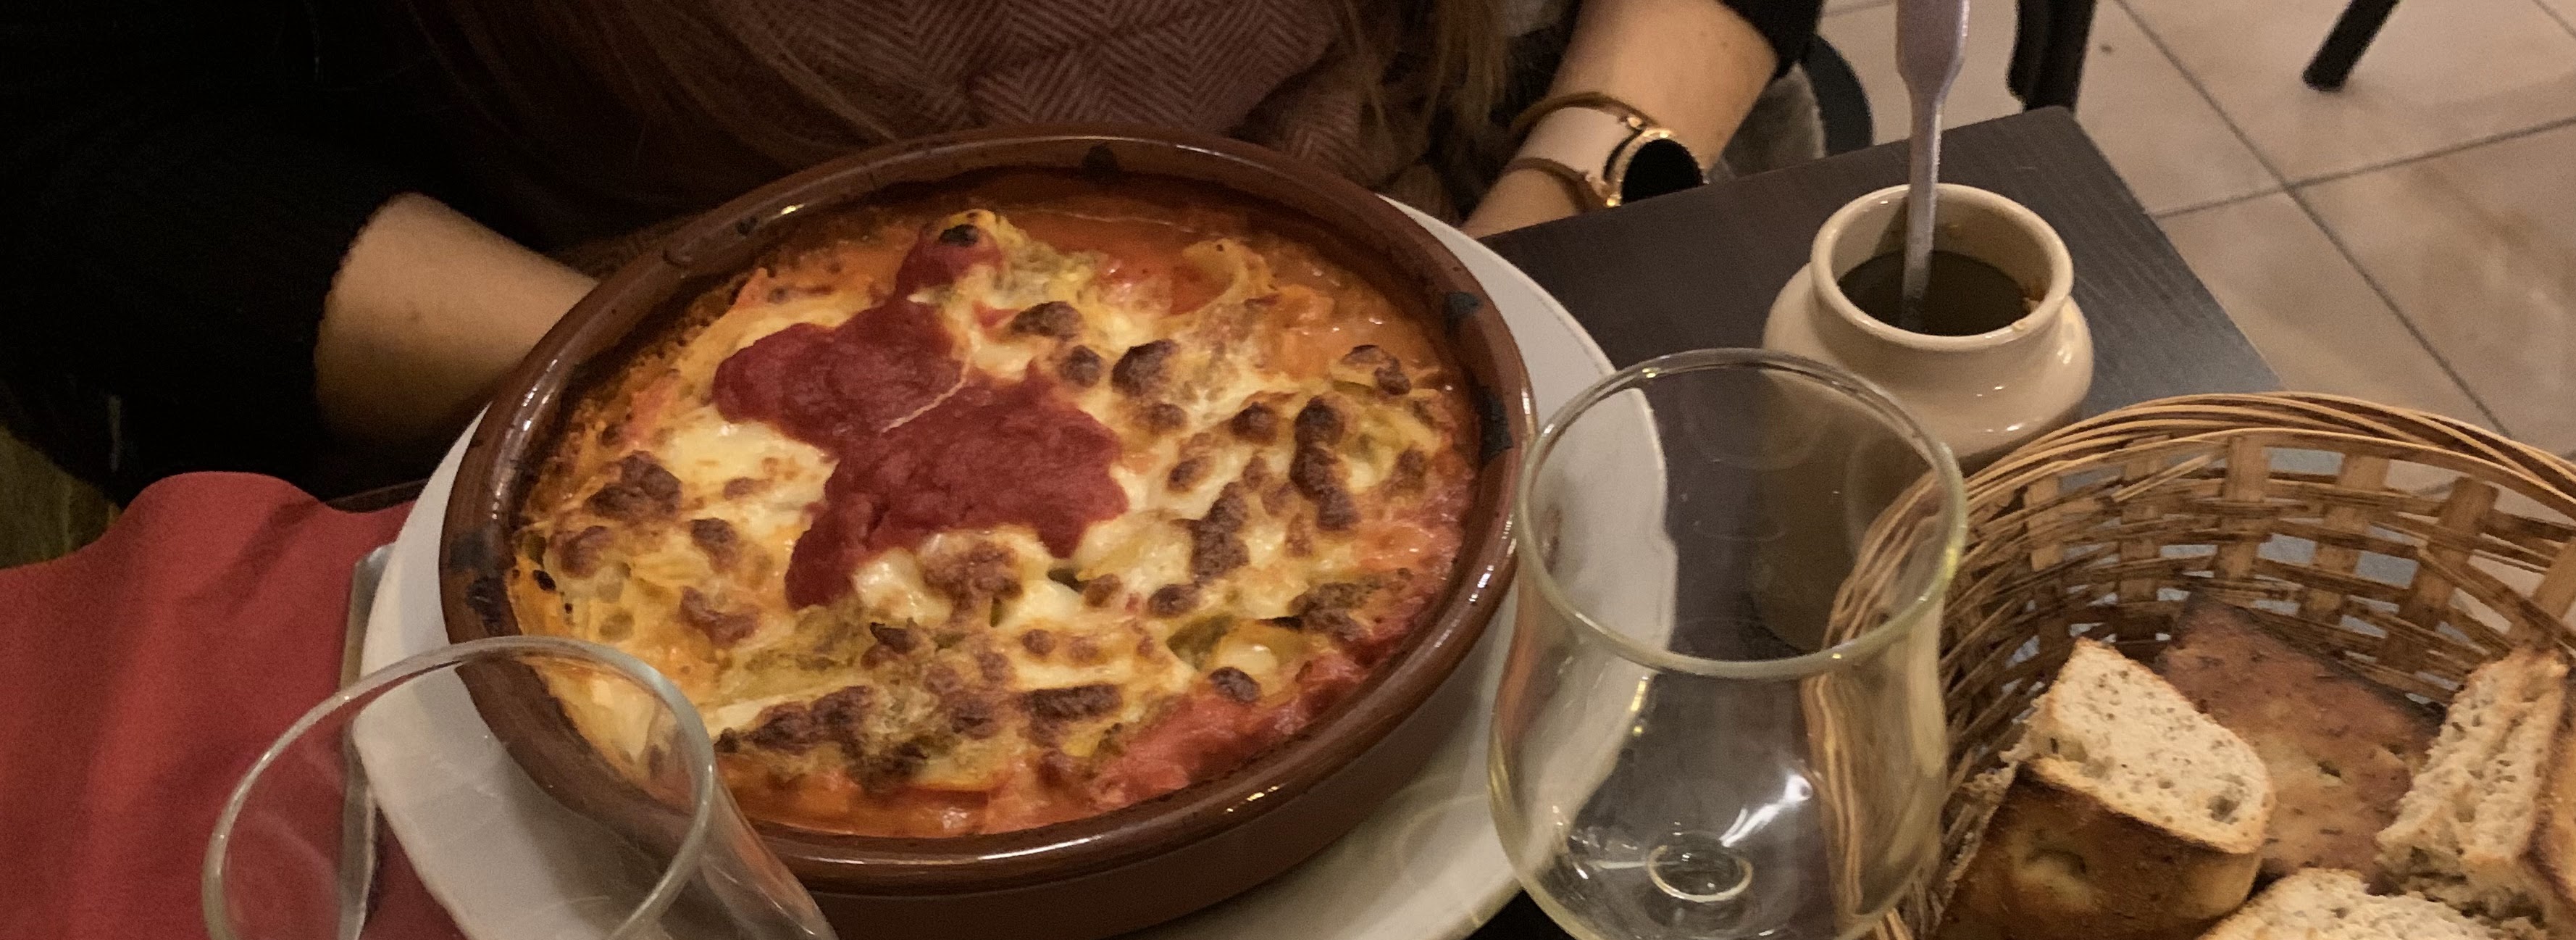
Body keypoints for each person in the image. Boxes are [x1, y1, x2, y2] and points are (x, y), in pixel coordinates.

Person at [0, 0, 1823, 502]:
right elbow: (71, 142)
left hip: (1448, 260)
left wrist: (1561, 200)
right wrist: (723, 415)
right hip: (669, 428)